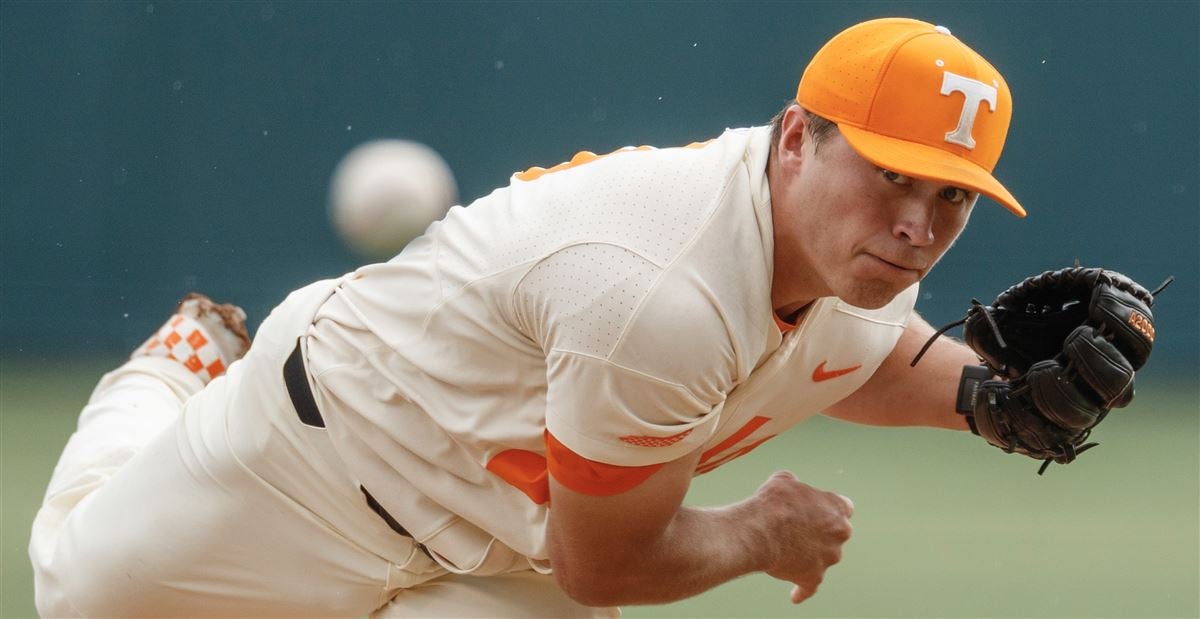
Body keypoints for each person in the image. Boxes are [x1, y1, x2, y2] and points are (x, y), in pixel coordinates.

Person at [31, 17, 1026, 617]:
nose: (916, 223)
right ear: (800, 139)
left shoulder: (852, 255)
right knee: (78, 598)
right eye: (894, 174)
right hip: (319, 460)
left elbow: (858, 352)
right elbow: (609, 563)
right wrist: (764, 533)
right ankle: (174, 367)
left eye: (951, 194)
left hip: (507, 551)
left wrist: (994, 398)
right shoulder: (657, 288)